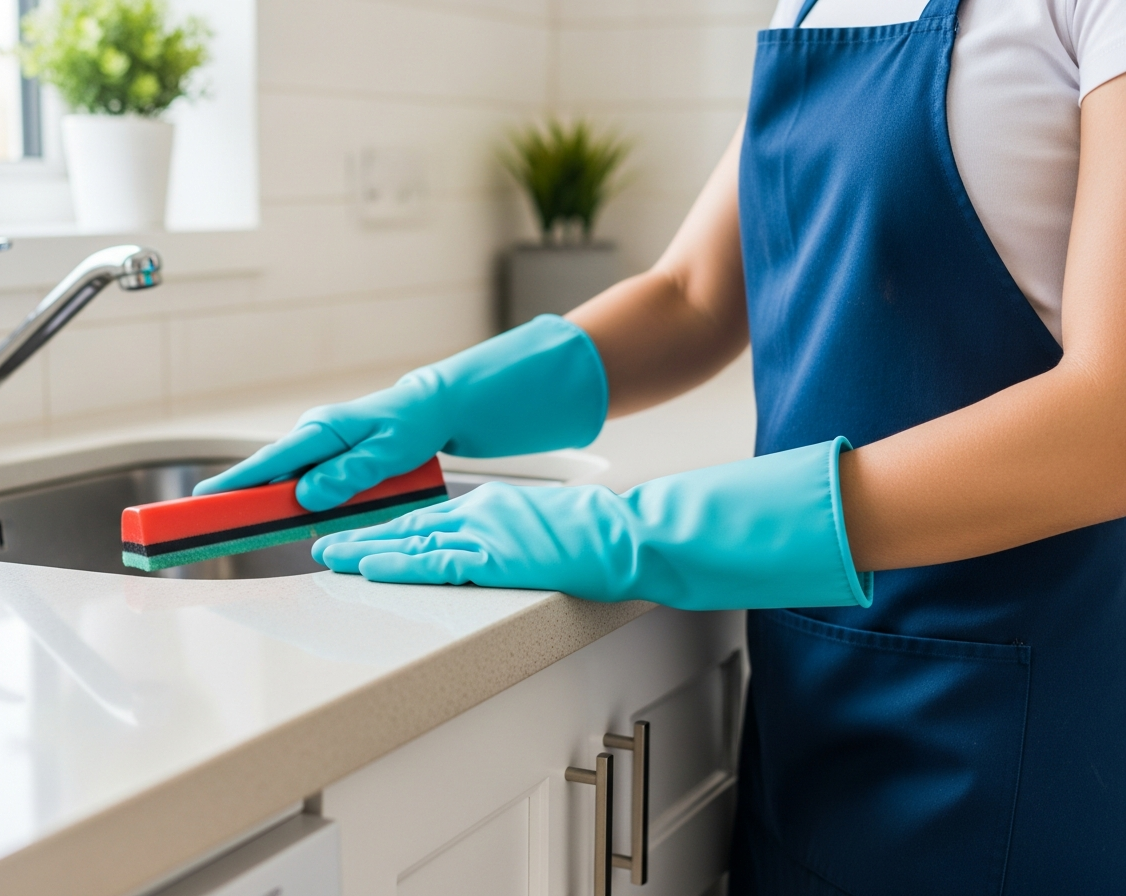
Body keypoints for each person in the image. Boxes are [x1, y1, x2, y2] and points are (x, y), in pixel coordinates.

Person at [195, 0, 1126, 890]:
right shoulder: (806, 7)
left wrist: (644, 532)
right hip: (807, 694)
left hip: (1010, 725)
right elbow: (692, 293)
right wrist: (441, 398)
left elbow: (1109, 418)